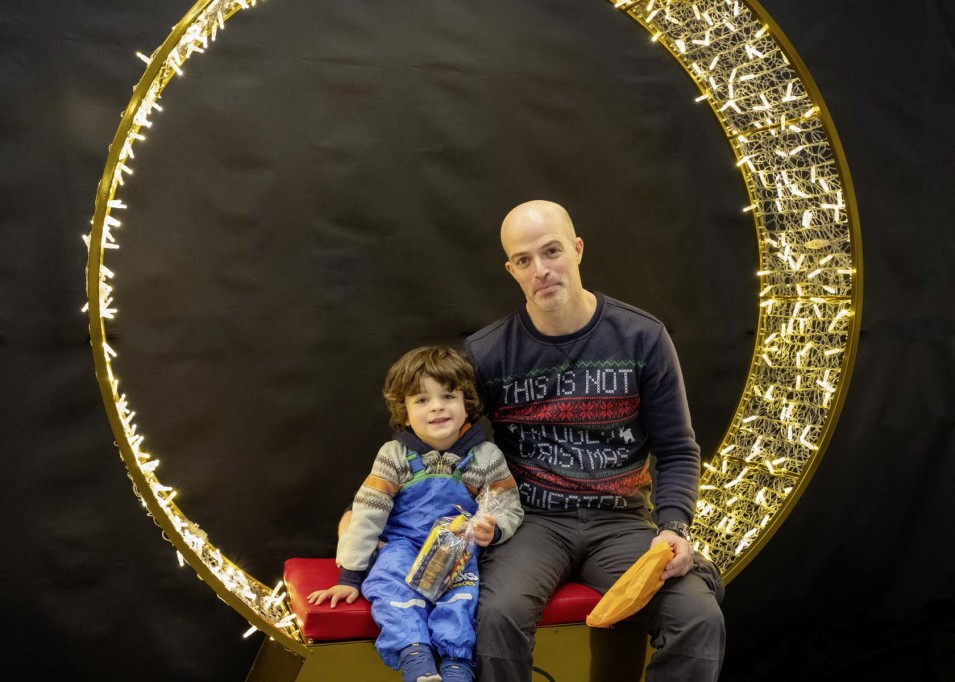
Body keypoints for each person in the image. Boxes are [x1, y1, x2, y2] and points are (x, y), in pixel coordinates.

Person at [464, 200, 725, 681]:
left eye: (551, 251)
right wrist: (380, 504)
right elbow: (443, 444)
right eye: (524, 260)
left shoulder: (642, 337)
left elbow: (677, 449)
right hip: (531, 522)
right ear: (511, 270)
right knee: (497, 617)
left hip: (621, 521)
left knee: (698, 618)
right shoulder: (487, 352)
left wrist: (674, 527)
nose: (541, 270)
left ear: (577, 249)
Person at [309, 346, 524, 682]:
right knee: (389, 584)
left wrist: (494, 529)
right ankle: (415, 659)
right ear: (405, 414)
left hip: (456, 549)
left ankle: (457, 666)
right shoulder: (394, 456)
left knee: (463, 599)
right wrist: (350, 576)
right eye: (422, 400)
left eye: (448, 396)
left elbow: (509, 504)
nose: (437, 406)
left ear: (467, 403)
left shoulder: (486, 456)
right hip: (402, 545)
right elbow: (367, 513)